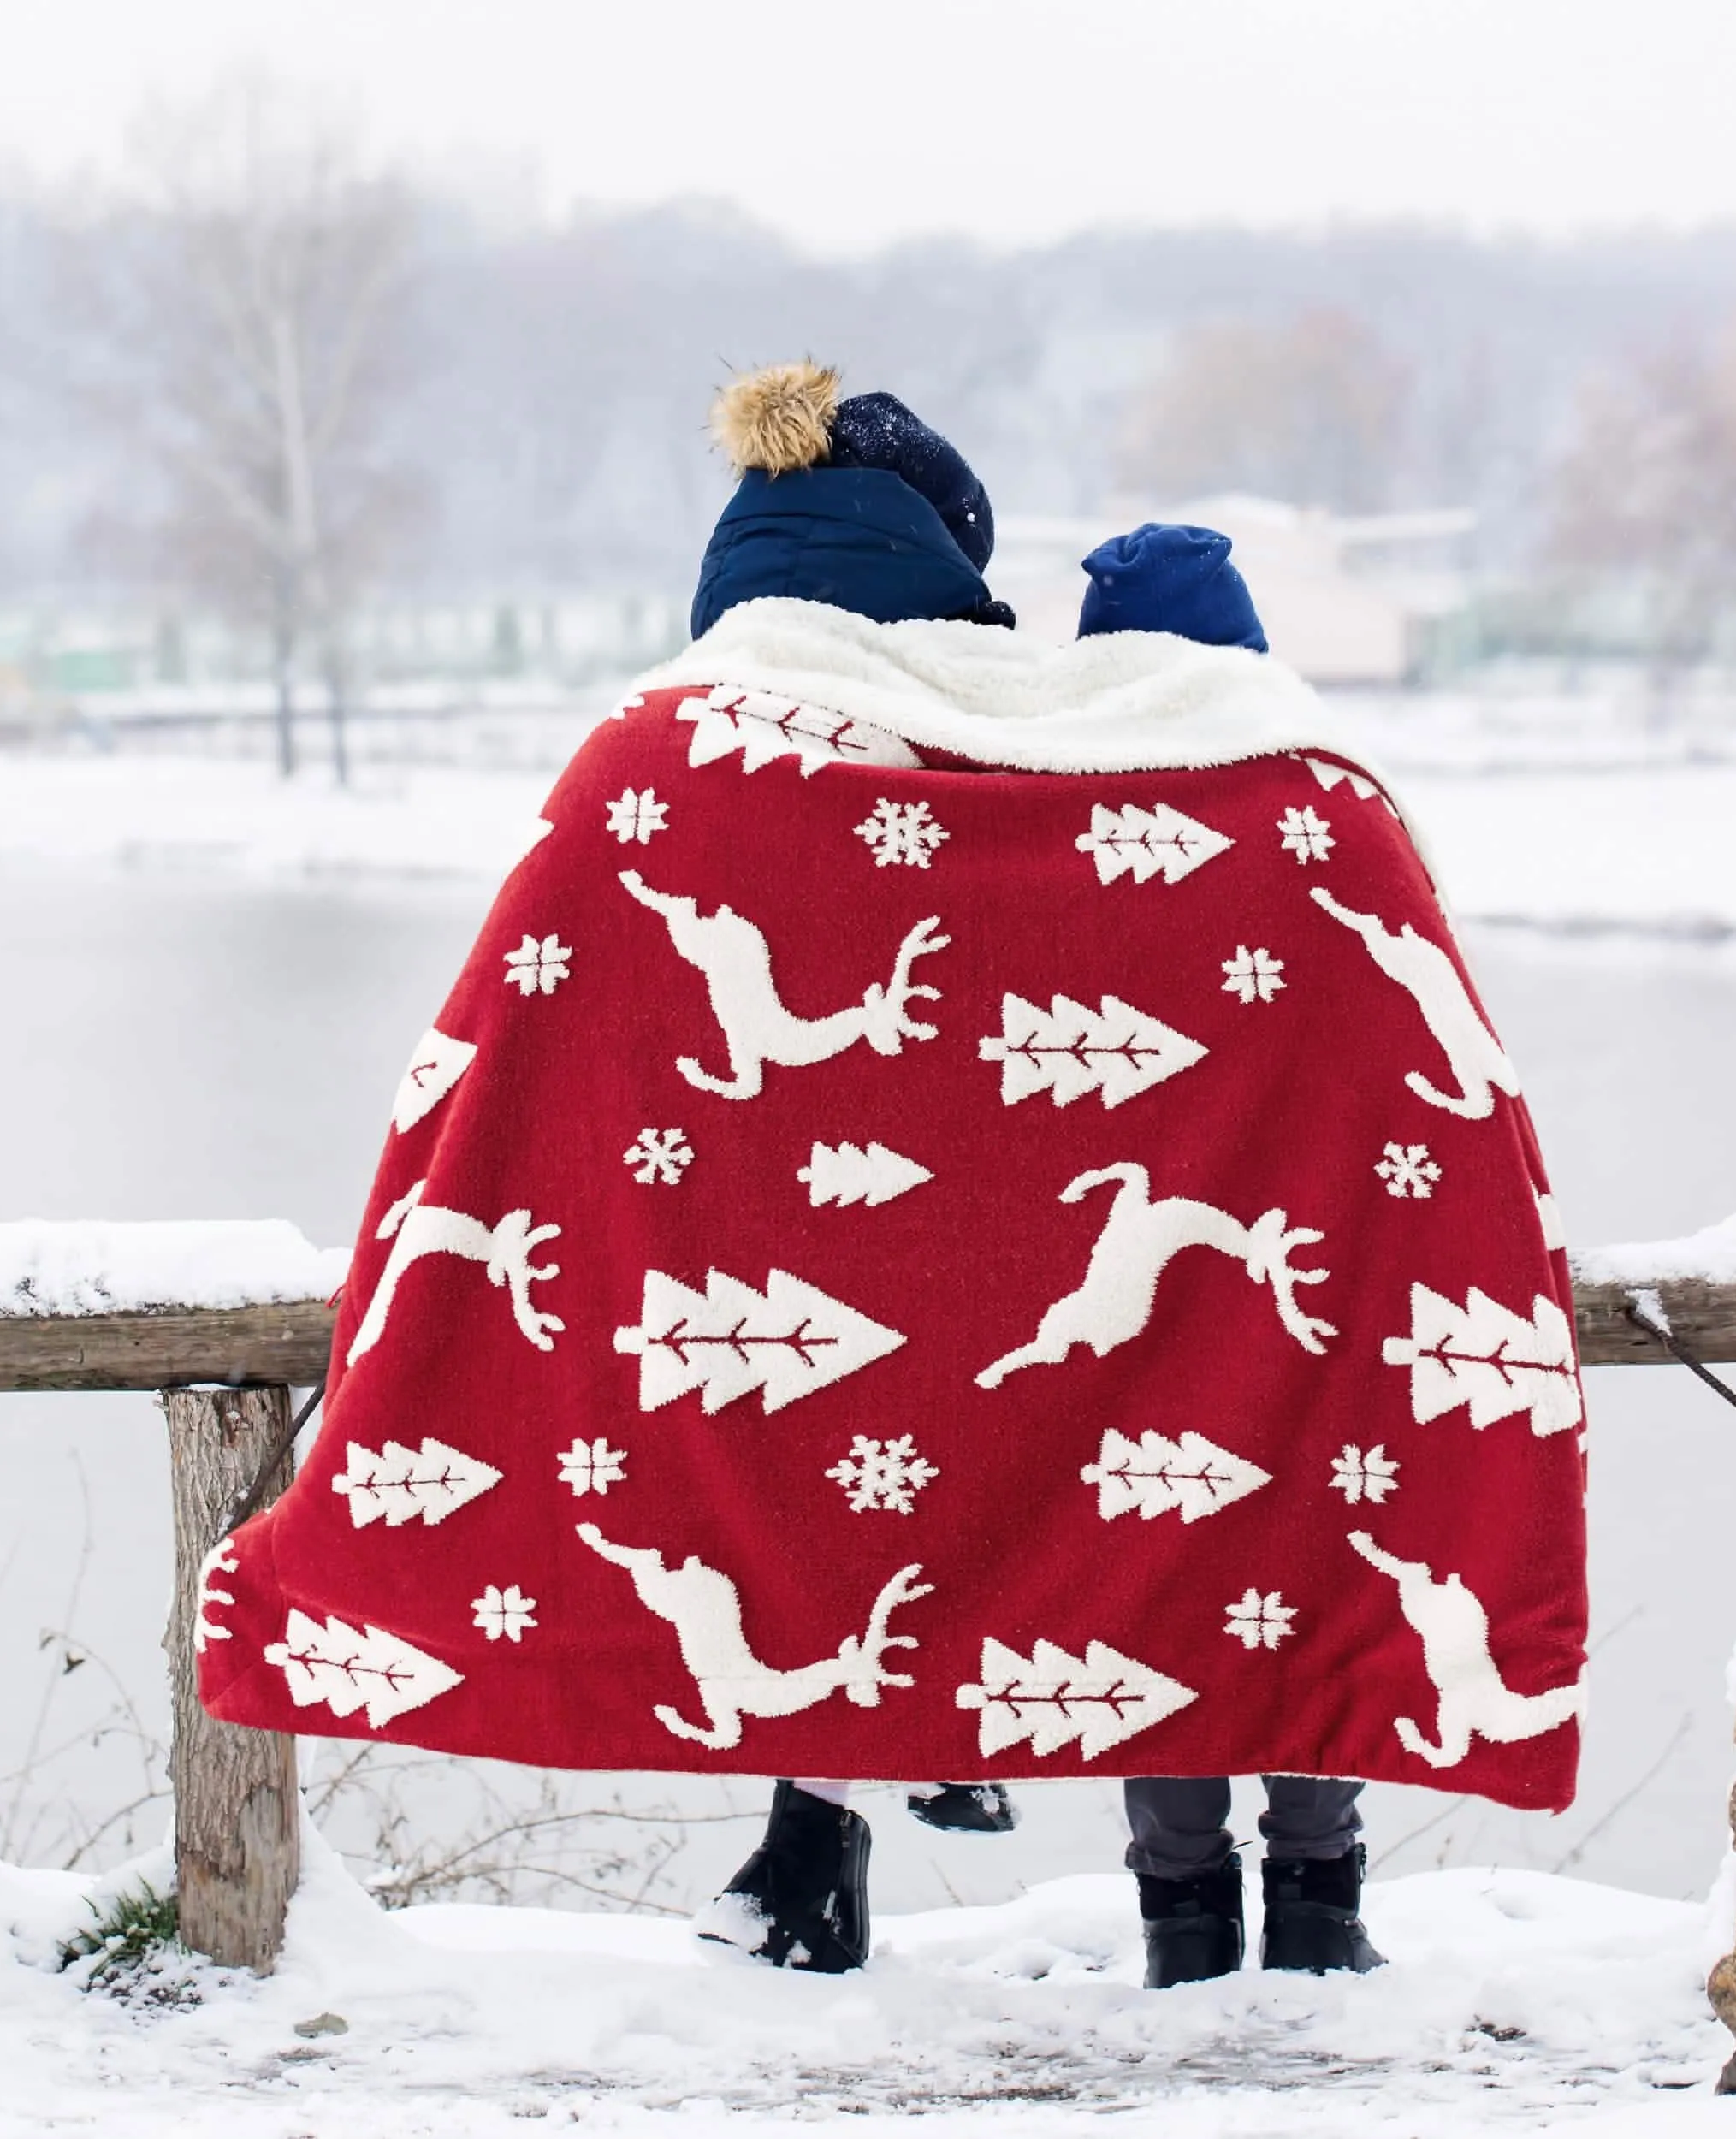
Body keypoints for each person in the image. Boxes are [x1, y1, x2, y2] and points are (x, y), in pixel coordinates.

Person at [686, 363, 1020, 1976]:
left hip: (736, 1194)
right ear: (943, 558)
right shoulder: (985, 732)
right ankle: (893, 1775)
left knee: (781, 1485)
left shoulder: (672, 738)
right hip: (960, 1201)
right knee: (955, 1453)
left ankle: (808, 1847)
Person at [1075, 520, 1383, 1985]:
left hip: (1135, 1283)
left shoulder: (1055, 816)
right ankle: (1322, 1901)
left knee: (1156, 1565)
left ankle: (1179, 1917)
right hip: (1291, 1251)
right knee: (1301, 1549)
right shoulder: (1322, 802)